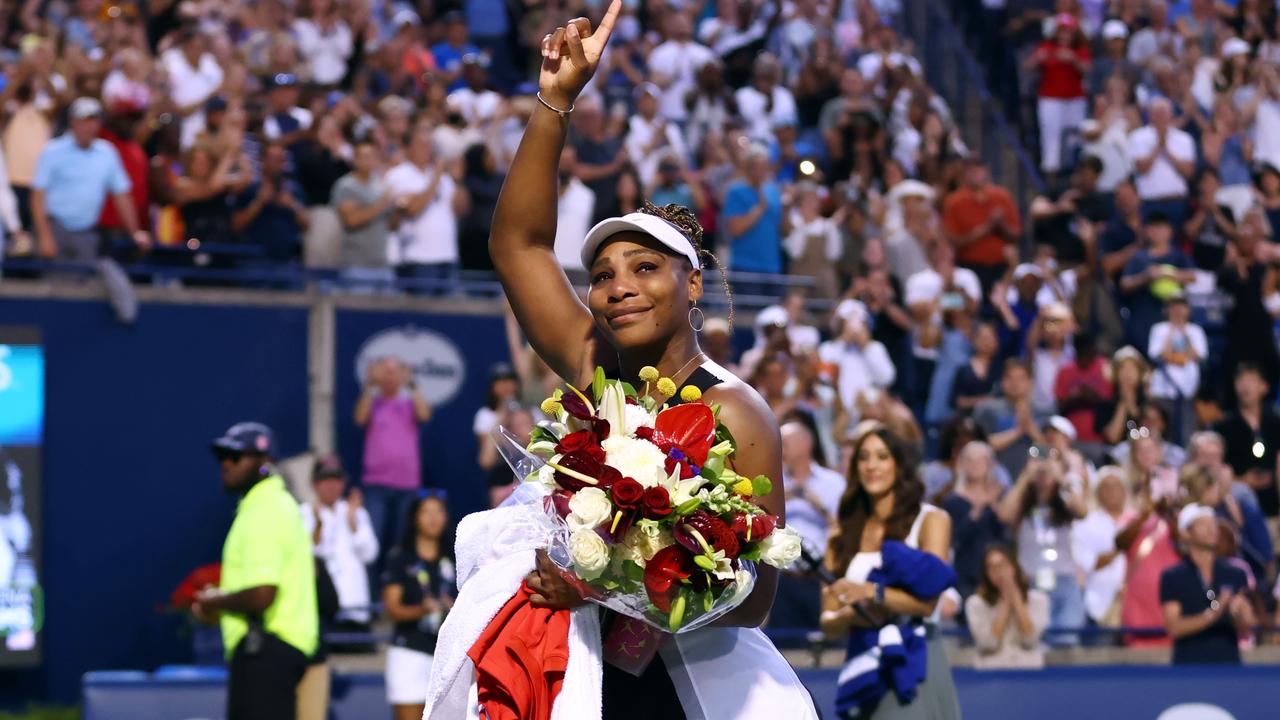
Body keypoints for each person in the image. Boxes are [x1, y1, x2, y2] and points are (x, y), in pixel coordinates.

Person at [482, 5, 817, 715]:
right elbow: (518, 247)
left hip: (696, 692)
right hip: (586, 679)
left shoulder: (734, 408)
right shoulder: (590, 364)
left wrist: (603, 588)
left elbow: (754, 599)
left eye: (644, 267)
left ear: (691, 283)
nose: (619, 287)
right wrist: (556, 102)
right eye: (603, 275)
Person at [821, 428, 961, 717]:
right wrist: (851, 615)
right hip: (862, 660)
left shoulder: (931, 519)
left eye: (882, 457)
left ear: (900, 464)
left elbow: (927, 603)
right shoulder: (842, 529)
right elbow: (828, 620)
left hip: (913, 657)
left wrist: (872, 593)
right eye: (864, 458)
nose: (872, 466)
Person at [194, 423, 317, 720]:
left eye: (235, 456)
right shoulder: (266, 505)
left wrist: (213, 600)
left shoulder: (266, 508)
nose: (225, 463)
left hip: (266, 650)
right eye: (222, 456)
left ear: (264, 463)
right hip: (269, 650)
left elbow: (263, 594)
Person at [32, 97, 150, 318]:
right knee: (53, 292)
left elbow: (122, 196)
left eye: (94, 120)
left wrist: (135, 232)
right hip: (55, 229)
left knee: (83, 294)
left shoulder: (107, 152)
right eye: (84, 120)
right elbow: (38, 196)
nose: (90, 126)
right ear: (73, 123)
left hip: (87, 233)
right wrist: (44, 236)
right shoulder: (52, 150)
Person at [996, 449, 1088, 644]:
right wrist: (1025, 477)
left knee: (1067, 641)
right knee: (1034, 641)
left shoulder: (1064, 498)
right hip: (1031, 579)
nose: (1043, 474)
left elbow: (1082, 511)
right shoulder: (1022, 501)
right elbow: (1004, 515)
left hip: (1064, 579)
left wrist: (1061, 477)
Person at [381, 490, 456, 720]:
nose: (433, 518)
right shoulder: (400, 558)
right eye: (426, 511)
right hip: (410, 654)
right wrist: (421, 610)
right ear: (415, 517)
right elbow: (392, 609)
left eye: (438, 511)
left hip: (448, 658)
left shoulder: (456, 557)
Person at [355, 357, 432, 570]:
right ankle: (369, 597)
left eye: (394, 372)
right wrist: (369, 385)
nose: (389, 377)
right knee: (371, 543)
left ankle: (396, 589)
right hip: (376, 485)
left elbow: (425, 414)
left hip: (406, 486)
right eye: (385, 372)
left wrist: (412, 384)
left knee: (402, 544)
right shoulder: (372, 404)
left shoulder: (408, 405)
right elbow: (360, 418)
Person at [1160, 504, 1255, 664]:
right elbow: (1174, 627)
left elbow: (1246, 627)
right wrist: (1213, 614)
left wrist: (1242, 614)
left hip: (1228, 666)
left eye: (1213, 524)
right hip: (1189, 669)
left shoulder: (1235, 573)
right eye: (1203, 524)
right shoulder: (1173, 577)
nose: (1212, 529)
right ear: (1186, 533)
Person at [773, 420, 846, 628]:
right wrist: (784, 497)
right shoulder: (774, 481)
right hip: (782, 578)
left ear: (804, 446)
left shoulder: (834, 483)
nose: (781, 449)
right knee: (784, 647)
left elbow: (843, 527)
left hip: (820, 577)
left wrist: (818, 506)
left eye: (785, 443)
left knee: (823, 641)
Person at [385, 131, 470, 294]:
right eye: (422, 145)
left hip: (448, 256)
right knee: (422, 315)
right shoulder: (399, 175)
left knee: (449, 316)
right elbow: (412, 210)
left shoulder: (444, 178)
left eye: (430, 145)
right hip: (418, 259)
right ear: (409, 148)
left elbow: (461, 210)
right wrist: (435, 179)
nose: (428, 149)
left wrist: (458, 180)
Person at [301, 455, 378, 627]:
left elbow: (370, 554)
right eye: (325, 480)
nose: (331, 486)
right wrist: (318, 525)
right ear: (314, 483)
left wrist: (353, 524)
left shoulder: (356, 512)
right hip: (319, 610)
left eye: (336, 479)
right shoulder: (304, 512)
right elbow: (306, 557)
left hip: (354, 607)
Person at [938, 441, 1008, 599]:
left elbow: (1006, 535)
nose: (975, 465)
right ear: (962, 464)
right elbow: (954, 539)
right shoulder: (952, 501)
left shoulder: (998, 497)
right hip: (966, 574)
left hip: (996, 574)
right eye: (970, 460)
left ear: (989, 464)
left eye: (980, 460)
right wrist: (978, 507)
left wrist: (995, 506)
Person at [942, 157, 1022, 292]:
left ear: (987, 171)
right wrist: (987, 227)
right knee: (958, 303)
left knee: (1001, 302)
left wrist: (1001, 224)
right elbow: (953, 242)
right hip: (967, 267)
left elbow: (1016, 234)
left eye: (978, 169)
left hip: (1001, 266)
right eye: (970, 170)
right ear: (963, 173)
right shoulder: (954, 201)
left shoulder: (1002, 196)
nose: (975, 173)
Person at [1215, 363, 1280, 528]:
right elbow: (1216, 469)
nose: (1244, 387)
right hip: (1240, 512)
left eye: (1250, 381)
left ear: (1264, 387)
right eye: (1240, 381)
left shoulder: (1275, 422)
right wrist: (1243, 481)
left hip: (1274, 508)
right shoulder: (1225, 426)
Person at [964, 544, 1050, 668]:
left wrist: (1017, 601)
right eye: (991, 567)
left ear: (1013, 567)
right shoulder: (976, 604)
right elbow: (988, 644)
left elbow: (1030, 641)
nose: (998, 572)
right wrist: (1004, 606)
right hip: (991, 672)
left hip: (1028, 671)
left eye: (1002, 565)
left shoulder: (1038, 600)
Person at [1025, 13, 1091, 176]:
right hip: (1050, 99)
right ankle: (1051, 175)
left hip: (1075, 99)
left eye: (1068, 31)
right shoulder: (1046, 47)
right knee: (1051, 138)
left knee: (1075, 138)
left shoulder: (1080, 50)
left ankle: (1074, 172)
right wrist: (1038, 58)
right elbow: (1027, 65)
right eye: (1061, 31)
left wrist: (1073, 59)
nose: (1064, 35)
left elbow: (1087, 69)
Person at [1072, 467, 1130, 641]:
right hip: (1099, 607)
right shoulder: (1085, 524)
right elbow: (1088, 564)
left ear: (1125, 490)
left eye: (1116, 486)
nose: (1111, 491)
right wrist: (1123, 546)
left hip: (1136, 606)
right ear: (1097, 492)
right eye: (1106, 487)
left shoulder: (1137, 520)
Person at [332, 140, 396, 290]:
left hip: (382, 264)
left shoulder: (381, 185)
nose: (369, 160)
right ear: (355, 160)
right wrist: (382, 204)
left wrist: (398, 209)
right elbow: (351, 220)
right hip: (357, 266)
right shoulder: (346, 186)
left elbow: (391, 225)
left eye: (372, 156)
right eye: (364, 156)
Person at [1127, 97, 1195, 226]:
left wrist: (1167, 151)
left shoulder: (1184, 139)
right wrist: (1158, 147)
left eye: (1164, 112)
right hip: (1149, 202)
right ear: (1150, 115)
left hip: (1177, 201)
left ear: (1171, 114)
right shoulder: (1138, 137)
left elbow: (1188, 172)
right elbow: (1141, 168)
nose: (1161, 117)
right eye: (1157, 113)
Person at [975, 360, 1048, 479]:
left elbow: (1049, 453)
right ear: (1002, 382)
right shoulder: (987, 410)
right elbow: (979, 448)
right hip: (993, 478)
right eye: (1010, 378)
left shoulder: (1044, 412)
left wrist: (1031, 430)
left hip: (1033, 481)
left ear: (1031, 382)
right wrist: (1017, 432)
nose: (1015, 383)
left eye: (1021, 378)